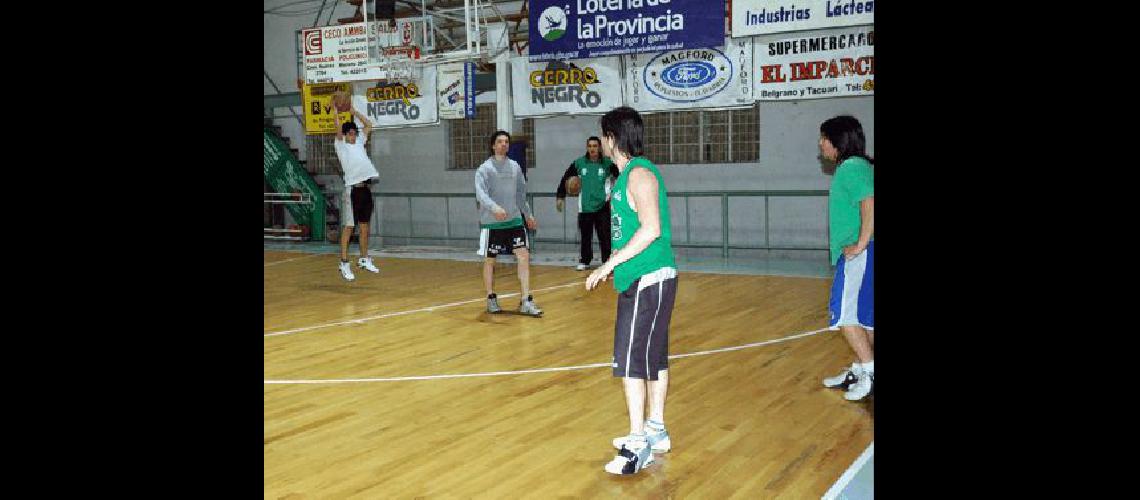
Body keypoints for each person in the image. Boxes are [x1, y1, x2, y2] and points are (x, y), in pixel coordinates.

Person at [586, 107, 677, 475]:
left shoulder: (639, 173)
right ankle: (656, 429)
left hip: (647, 277)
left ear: (612, 137)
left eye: (604, 136)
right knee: (654, 358)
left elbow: (651, 228)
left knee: (630, 361)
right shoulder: (625, 176)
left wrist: (608, 264)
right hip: (648, 277)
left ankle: (638, 444)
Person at [817, 115, 875, 401]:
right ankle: (863, 368)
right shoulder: (860, 166)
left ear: (838, 141)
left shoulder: (851, 168)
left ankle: (869, 371)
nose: (821, 144)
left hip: (861, 254)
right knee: (866, 318)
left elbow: (869, 203)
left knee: (844, 315)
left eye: (824, 138)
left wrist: (861, 244)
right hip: (867, 252)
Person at [475, 130, 543, 316]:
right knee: (490, 260)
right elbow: (481, 194)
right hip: (492, 223)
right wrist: (494, 208)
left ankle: (525, 300)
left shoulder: (515, 167)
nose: (504, 144)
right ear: (493, 145)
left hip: (514, 221)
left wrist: (528, 215)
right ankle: (490, 297)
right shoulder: (484, 169)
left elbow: (521, 194)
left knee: (523, 256)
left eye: (506, 142)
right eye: (500, 141)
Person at [332, 97, 381, 281]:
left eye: (354, 132)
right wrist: (336, 112)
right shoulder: (341, 146)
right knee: (349, 228)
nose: (353, 135)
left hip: (365, 189)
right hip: (352, 190)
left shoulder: (360, 142)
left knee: (365, 227)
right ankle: (344, 262)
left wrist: (354, 113)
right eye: (350, 133)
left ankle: (364, 258)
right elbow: (337, 128)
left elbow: (368, 124)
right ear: (345, 135)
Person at [556, 136, 619, 271]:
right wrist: (560, 196)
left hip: (603, 206)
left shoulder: (608, 163)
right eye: (590, 146)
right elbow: (565, 178)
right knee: (585, 237)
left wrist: (619, 194)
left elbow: (621, 176)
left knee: (605, 237)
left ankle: (607, 261)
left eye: (595, 146)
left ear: (600, 148)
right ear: (587, 148)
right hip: (584, 207)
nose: (592, 149)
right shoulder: (579, 163)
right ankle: (585, 260)